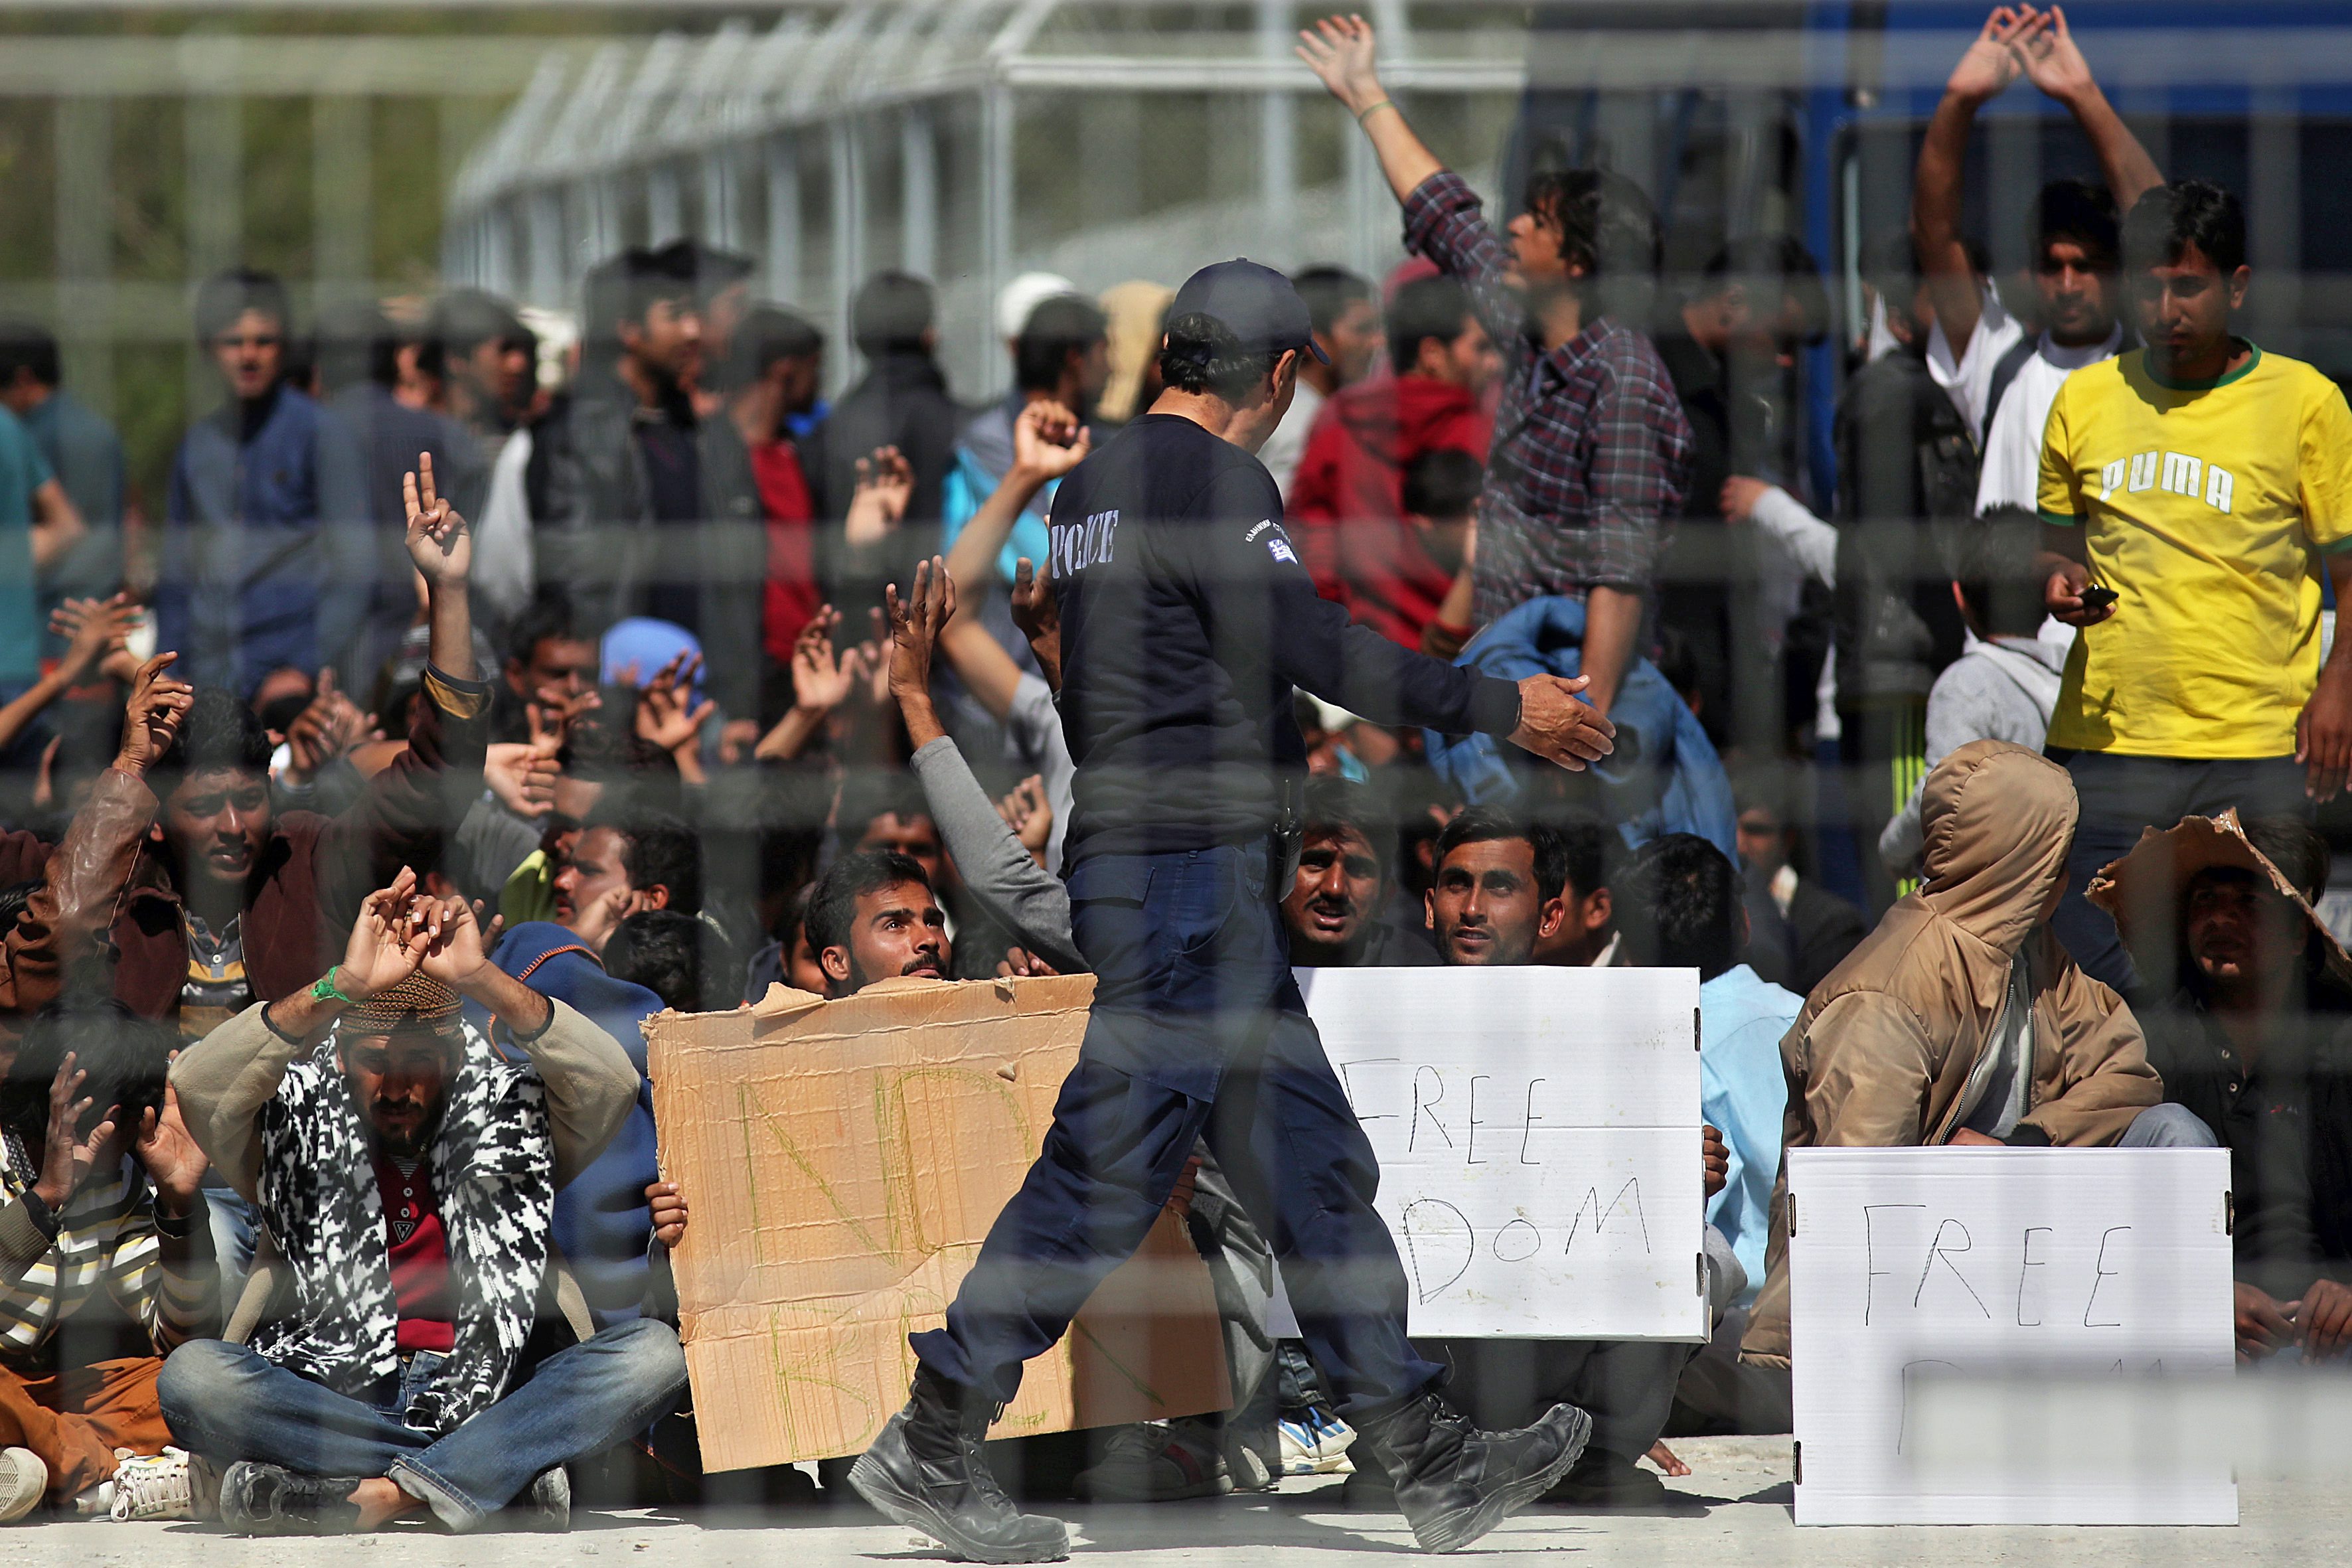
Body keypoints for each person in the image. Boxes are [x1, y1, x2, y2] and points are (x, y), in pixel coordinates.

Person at [846, 256, 1618, 1562]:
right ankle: (933, 1432)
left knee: (1312, 1164)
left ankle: (1427, 1455)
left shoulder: (1089, 485)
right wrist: (1506, 705)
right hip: (1181, 879)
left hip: (1175, 875)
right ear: (1274, 377)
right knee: (1102, 1173)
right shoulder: (1212, 477)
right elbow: (1310, 643)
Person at [157, 872, 684, 1534]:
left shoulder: (511, 1110)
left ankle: (383, 1492)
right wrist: (340, 986)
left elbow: (610, 1077)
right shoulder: (290, 1119)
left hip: (490, 1393)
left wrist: (482, 978)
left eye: (419, 1061)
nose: (398, 1086)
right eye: (376, 1059)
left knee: (654, 1357)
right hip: (328, 1393)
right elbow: (198, 1082)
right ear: (340, 1054)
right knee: (194, 1379)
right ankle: (490, 1476)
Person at [1741, 741, 2210, 1376]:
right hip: (1921, 1283)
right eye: (2057, 859)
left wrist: (2024, 1149)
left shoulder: (2034, 949)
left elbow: (2128, 1077)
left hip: (2025, 1244)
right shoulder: (1883, 996)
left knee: (2176, 1135)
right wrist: (1970, 1179)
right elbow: (1862, 1214)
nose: (2067, 879)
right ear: (2025, 864)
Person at [1301, 15, 1691, 724]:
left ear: (1576, 264)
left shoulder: (1624, 384)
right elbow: (1443, 214)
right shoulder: (1529, 326)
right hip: (1516, 679)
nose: (1511, 229)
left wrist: (1586, 725)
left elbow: (1620, 575)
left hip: (1575, 694)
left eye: (1536, 224)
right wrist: (1364, 94)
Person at [1356, 818, 1743, 1510]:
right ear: (1428, 903)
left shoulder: (1619, 1027)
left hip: (1555, 1353)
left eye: (1500, 887)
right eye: (1456, 884)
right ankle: (1406, 1439)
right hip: (1427, 1359)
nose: (1473, 907)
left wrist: (1682, 1171)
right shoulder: (1364, 1022)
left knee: (1707, 1255)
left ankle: (1592, 1450)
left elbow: (1637, 1199)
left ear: (1551, 913)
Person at [2039, 177, 2352, 994]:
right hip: (2112, 737)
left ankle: (2243, 1107)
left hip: (2255, 743)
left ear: (2237, 286)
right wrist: (2059, 581)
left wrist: (2339, 686)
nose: (2167, 307)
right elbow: (2051, 546)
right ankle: (2151, 1087)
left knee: (2254, 952)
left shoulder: (2306, 403)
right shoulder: (2084, 399)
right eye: (2149, 285)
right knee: (2081, 933)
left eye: (2189, 285)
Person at [1723, 230, 1976, 915]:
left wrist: (1770, 508)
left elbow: (1867, 562)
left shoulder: (1899, 394)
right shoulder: (1906, 394)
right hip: (1893, 679)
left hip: (1895, 678)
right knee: (1891, 883)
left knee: (1898, 889)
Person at [2090, 814, 2352, 1363]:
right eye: (2204, 902)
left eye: (2248, 903)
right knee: (2171, 1128)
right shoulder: (2141, 1030)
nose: (2219, 919)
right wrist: (2198, 1295)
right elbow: (2092, 1194)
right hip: (2179, 1329)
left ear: (2295, 933)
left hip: (2323, 1338)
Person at [1916, 5, 2160, 468]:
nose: (2067, 285)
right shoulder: (1997, 362)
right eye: (2053, 266)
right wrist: (1957, 102)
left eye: (2085, 266)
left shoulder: (2150, 363)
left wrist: (2083, 97)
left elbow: (2165, 231)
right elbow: (1935, 237)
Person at [0, 1003, 214, 1524]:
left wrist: (179, 1205)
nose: (136, 1143)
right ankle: (107, 1477)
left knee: (195, 1387)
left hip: (44, 1397)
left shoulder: (116, 1180)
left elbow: (179, 1341)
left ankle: (43, 1469)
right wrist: (45, 1198)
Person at [1615, 834, 1799, 1437]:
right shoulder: (1814, 1015)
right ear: (1744, 924)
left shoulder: (1657, 1051)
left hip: (1741, 1343)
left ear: (1629, 955)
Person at [537, 246, 763, 721]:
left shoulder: (700, 432)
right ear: (629, 330)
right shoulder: (581, 436)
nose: (694, 332)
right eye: (676, 317)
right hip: (629, 695)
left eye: (695, 316)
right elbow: (576, 576)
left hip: (708, 694)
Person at [1650, 235, 1828, 753]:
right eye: (1780, 338)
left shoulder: (1735, 405)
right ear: (1733, 304)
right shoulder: (1648, 378)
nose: (1784, 360)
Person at [156, 268, 370, 696]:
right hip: (206, 677)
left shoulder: (323, 433)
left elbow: (357, 568)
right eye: (233, 341)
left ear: (284, 347)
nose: (248, 356)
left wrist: (306, 666)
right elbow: (177, 570)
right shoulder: (197, 445)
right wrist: (167, 665)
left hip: (290, 682)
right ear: (207, 348)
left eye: (264, 341)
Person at [1288, 275, 1498, 651]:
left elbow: (1312, 551)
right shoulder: (1480, 433)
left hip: (1368, 658)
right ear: (1433, 353)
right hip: (1466, 652)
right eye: (1481, 347)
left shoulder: (1341, 420)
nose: (1495, 363)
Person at [1878, 507, 2065, 879]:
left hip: (1992, 892)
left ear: (1959, 597)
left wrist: (1892, 849)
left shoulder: (1967, 684)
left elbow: (1944, 791)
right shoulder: (2073, 673)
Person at [801, 271, 969, 623]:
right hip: (954, 633)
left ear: (858, 341)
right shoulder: (968, 428)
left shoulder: (823, 435)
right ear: (930, 337)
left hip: (860, 630)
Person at [0, 321, 121, 655]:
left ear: (24, 379)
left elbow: (68, 533)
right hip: (92, 628)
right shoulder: (94, 428)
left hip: (49, 633)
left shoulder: (23, 436)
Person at [719, 306, 828, 666]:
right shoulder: (711, 454)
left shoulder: (801, 454)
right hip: (748, 665)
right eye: (815, 367)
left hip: (807, 661)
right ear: (785, 370)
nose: (820, 381)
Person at [1730, 767, 1868, 999]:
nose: (1739, 845)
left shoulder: (1833, 926)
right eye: (1730, 828)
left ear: (1788, 840)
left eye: (1755, 831)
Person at [1283, 777, 1439, 968]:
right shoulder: (1240, 961)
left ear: (1385, 896)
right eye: (1317, 862)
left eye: (1358, 869)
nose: (1335, 888)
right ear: (1278, 876)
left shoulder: (1418, 973)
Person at [1256, 266, 1381, 501]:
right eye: (1361, 330)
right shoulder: (1305, 420)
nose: (1377, 342)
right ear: (1314, 340)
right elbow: (1282, 523)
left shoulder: (1283, 405)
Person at [551, 810, 701, 957]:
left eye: (589, 871)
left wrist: (573, 944)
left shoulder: (665, 980)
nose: (561, 882)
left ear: (653, 899)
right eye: (568, 867)